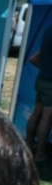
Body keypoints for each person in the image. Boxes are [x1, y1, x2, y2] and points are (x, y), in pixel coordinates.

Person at [26, 25, 52, 161]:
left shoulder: (48, 30)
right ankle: (39, 154)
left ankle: (28, 147)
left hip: (42, 79)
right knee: (47, 117)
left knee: (37, 113)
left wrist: (46, 69)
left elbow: (33, 58)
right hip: (50, 83)